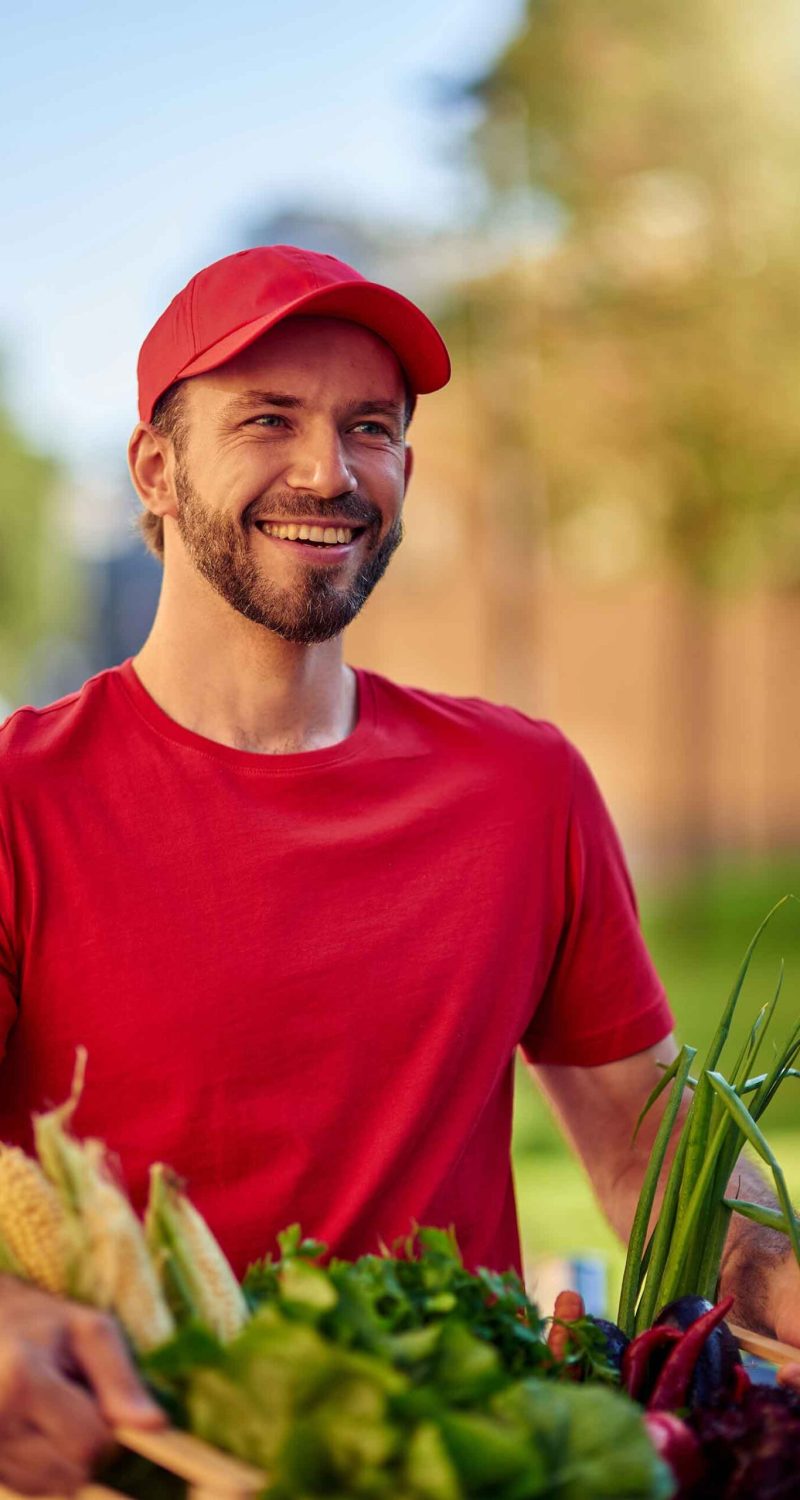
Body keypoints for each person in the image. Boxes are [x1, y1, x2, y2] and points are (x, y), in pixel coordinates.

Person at [0, 243, 797, 1493]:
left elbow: (641, 1137)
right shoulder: (17, 803)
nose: (328, 470)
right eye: (269, 419)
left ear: (406, 472)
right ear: (155, 470)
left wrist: (770, 1260)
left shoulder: (522, 787)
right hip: (136, 1468)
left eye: (367, 428)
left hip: (451, 1458)